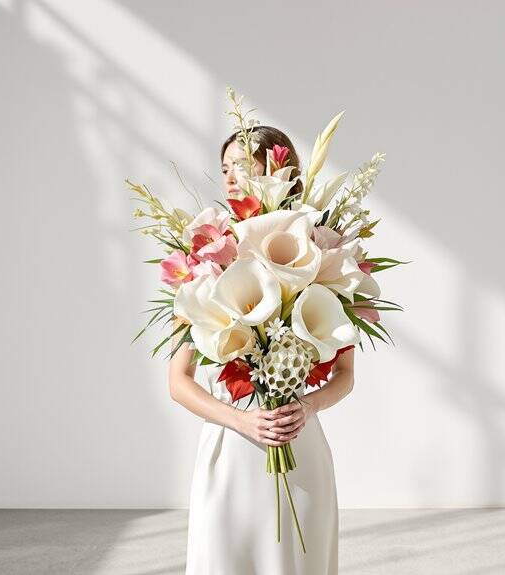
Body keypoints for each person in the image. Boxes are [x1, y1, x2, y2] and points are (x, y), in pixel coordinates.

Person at [169, 126, 355, 574]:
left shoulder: (317, 251)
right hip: (231, 449)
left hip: (298, 444)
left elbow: (345, 375)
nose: (231, 177)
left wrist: (306, 408)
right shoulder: (206, 256)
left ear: (280, 170)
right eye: (225, 167)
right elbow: (178, 381)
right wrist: (243, 421)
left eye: (244, 165)